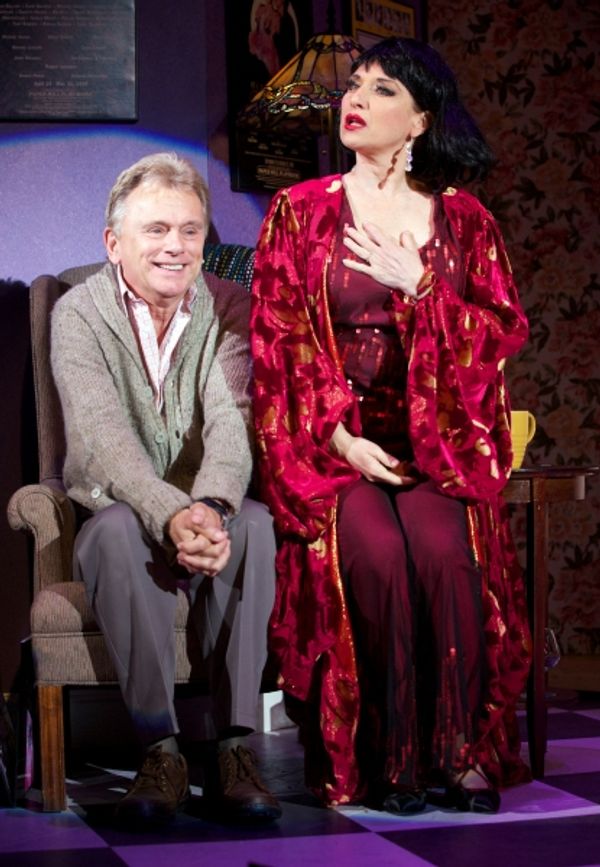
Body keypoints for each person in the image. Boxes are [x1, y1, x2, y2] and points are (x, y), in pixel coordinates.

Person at [250, 38, 532, 815]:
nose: (358, 99)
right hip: (337, 442)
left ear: (418, 121)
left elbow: (500, 335)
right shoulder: (299, 213)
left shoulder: (464, 223)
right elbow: (280, 344)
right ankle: (391, 762)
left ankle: (460, 756)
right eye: (358, 86)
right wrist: (338, 436)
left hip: (437, 439)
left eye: (382, 91)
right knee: (371, 557)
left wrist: (424, 286)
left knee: (446, 555)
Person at [51, 152, 281, 826]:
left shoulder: (229, 307)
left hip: (210, 503)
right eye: (155, 229)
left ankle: (235, 747)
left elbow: (232, 422)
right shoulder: (78, 313)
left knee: (259, 526)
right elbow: (101, 435)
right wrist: (170, 511)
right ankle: (161, 748)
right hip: (117, 503)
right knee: (120, 531)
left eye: (189, 229)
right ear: (113, 241)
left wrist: (207, 508)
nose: (175, 246)